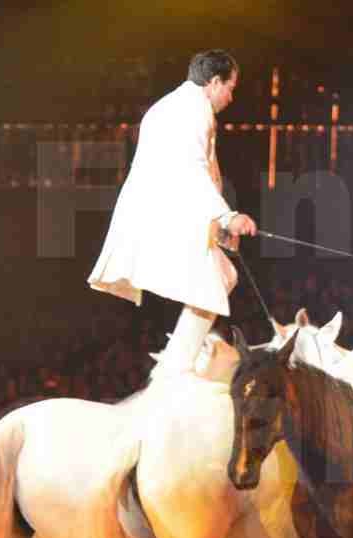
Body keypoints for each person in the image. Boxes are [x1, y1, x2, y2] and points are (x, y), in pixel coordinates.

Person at [87, 49, 258, 378]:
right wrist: (227, 217)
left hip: (166, 212)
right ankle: (177, 368)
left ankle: (177, 362)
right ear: (214, 81)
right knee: (216, 281)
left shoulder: (180, 106)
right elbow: (190, 171)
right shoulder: (192, 111)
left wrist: (218, 226)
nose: (232, 97)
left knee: (223, 277)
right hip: (161, 217)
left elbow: (193, 175)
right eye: (231, 87)